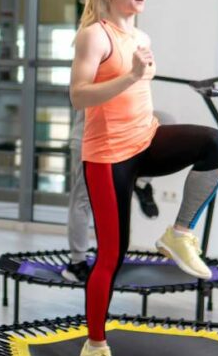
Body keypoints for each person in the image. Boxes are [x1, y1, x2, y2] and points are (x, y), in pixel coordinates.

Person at [69, 0, 218, 356]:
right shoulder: (94, 36)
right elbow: (79, 97)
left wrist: (140, 76)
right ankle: (95, 349)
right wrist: (132, 76)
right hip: (107, 156)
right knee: (112, 253)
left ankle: (178, 234)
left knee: (215, 143)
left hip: (146, 138)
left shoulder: (140, 35)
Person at [62, 108, 169, 284]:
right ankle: (77, 263)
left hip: (120, 139)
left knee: (165, 119)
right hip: (90, 140)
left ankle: (141, 182)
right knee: (83, 201)